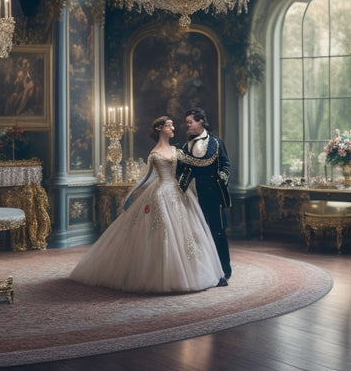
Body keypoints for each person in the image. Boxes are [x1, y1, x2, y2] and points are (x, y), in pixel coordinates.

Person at [70, 116, 227, 292]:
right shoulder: (154, 153)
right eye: (169, 126)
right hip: (160, 193)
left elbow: (193, 166)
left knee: (188, 233)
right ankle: (163, 275)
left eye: (172, 125)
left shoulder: (177, 150)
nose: (173, 128)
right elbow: (146, 178)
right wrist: (130, 194)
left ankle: (194, 273)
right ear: (161, 129)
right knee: (163, 231)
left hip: (178, 192)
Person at [177, 107, 232, 279]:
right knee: (200, 234)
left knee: (218, 232)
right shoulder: (187, 146)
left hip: (214, 194)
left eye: (190, 122)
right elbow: (180, 170)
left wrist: (222, 177)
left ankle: (224, 271)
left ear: (200, 121)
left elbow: (225, 164)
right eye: (186, 123)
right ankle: (205, 272)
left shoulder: (216, 143)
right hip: (195, 195)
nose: (188, 126)